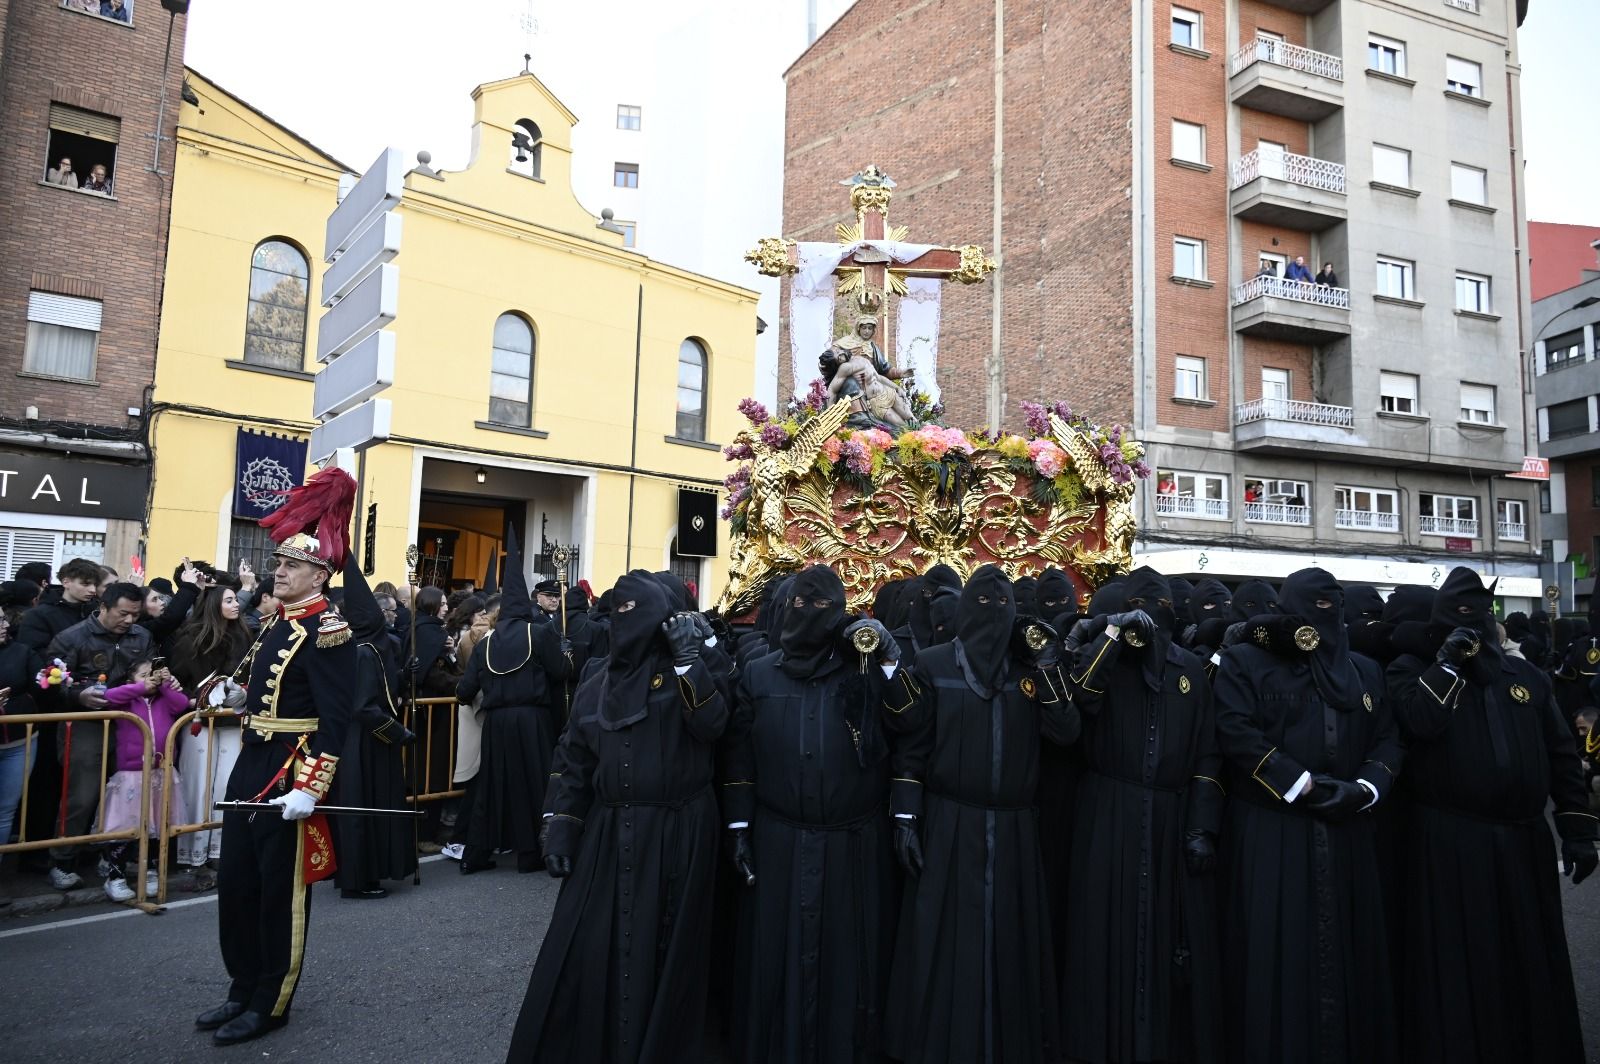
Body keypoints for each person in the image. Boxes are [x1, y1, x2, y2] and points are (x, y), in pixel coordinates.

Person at [507, 571, 728, 1062]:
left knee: (668, 954)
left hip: (678, 832)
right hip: (609, 834)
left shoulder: (692, 665)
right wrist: (561, 825)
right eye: (618, 614)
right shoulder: (596, 678)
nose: (625, 624)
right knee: (590, 949)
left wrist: (692, 662)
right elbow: (573, 759)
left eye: (636, 614)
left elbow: (713, 725)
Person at [1387, 567, 1594, 1063]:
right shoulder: (1411, 669)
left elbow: (1561, 753)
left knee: (1528, 955)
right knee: (1464, 959)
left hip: (1524, 841)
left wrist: (1576, 827)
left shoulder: (1524, 676)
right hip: (1453, 841)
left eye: (1481, 613)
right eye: (1462, 613)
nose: (1475, 622)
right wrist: (1448, 665)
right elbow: (1419, 721)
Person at [880, 564, 1079, 1064]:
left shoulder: (1028, 671)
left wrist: (1050, 664)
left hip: (1012, 830)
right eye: (983, 605)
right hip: (949, 825)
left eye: (1003, 606)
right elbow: (913, 747)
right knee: (943, 946)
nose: (993, 616)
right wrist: (905, 816)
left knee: (1010, 946)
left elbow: (1067, 732)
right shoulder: (933, 664)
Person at [1213, 568, 1403, 1063]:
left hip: (1348, 833)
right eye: (1314, 604)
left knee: (1348, 957)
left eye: (1332, 605)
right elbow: (1236, 732)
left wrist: (1365, 788)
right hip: (1271, 832)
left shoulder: (1365, 671)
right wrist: (1300, 785)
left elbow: (1387, 737)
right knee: (1277, 954)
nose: (1326, 615)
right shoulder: (1246, 662)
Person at [197, 468, 357, 1046]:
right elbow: (260, 688)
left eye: (290, 565)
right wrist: (234, 695)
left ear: (319, 573)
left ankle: (271, 1000)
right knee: (237, 883)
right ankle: (241, 987)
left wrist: (311, 786)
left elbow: (338, 719)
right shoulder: (275, 623)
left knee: (278, 893)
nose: (278, 571)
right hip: (253, 760)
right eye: (279, 564)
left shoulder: (329, 630)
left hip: (290, 767)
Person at [723, 565, 901, 1062]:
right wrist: (738, 825)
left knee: (847, 962)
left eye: (822, 608)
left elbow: (911, 723)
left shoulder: (859, 669)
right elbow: (738, 754)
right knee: (775, 958)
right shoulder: (759, 673)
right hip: (779, 840)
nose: (809, 617)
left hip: (850, 844)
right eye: (801, 605)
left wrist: (888, 659)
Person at [1061, 566, 1223, 1064]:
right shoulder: (1105, 658)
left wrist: (1202, 825)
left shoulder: (1190, 671)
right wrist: (1112, 638)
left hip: (1169, 818)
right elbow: (1081, 699)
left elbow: (1207, 754)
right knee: (1101, 937)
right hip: (1109, 815)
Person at [455, 530, 569, 875]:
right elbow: (561, 671)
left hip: (496, 722)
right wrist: (566, 654)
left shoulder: (486, 642)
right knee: (531, 785)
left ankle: (475, 855)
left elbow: (464, 690)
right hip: (532, 720)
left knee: (491, 786)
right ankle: (528, 854)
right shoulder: (540, 633)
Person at [43, 582, 153, 890]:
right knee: (82, 794)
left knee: (126, 793)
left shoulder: (142, 636)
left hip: (130, 723)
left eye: (135, 614)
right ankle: (63, 860)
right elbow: (49, 682)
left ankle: (114, 857)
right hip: (85, 725)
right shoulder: (72, 637)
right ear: (103, 607)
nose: (129, 621)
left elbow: (151, 670)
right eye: (123, 614)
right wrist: (78, 695)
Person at [331, 554, 417, 899]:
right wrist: (398, 733)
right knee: (362, 808)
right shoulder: (365, 652)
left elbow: (376, 689)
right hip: (364, 742)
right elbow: (365, 707)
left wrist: (402, 676)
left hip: (362, 740)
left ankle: (366, 874)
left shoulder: (362, 649)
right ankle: (358, 879)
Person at [168, 585, 255, 872]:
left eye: (236, 599)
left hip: (232, 719)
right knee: (198, 783)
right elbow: (178, 678)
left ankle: (220, 848)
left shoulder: (244, 635)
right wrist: (196, 698)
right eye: (229, 600)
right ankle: (191, 850)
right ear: (214, 604)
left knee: (226, 783)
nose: (236, 604)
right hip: (198, 719)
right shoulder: (190, 638)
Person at [99, 658, 188, 902]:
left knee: (156, 825)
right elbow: (110, 696)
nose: (151, 678)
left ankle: (149, 871)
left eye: (155, 673)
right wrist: (141, 687)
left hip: (161, 770)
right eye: (144, 674)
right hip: (131, 773)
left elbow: (180, 705)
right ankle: (115, 875)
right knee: (125, 827)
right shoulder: (127, 698)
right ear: (131, 680)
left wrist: (166, 684)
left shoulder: (164, 698)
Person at [0, 613, 44, 906]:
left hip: (18, 741)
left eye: (4, 620)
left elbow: (41, 686)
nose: (5, 625)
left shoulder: (22, 651)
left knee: (5, 811)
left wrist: (54, 678)